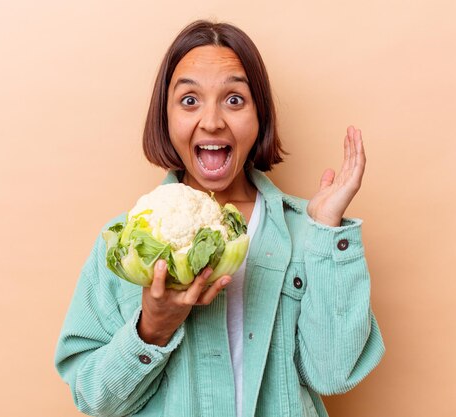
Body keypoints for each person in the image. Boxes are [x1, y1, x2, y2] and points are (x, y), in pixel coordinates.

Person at [55, 20, 385, 417]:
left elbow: (332, 375)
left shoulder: (307, 233)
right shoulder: (125, 243)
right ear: (165, 117)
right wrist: (153, 329)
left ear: (260, 115)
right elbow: (93, 399)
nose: (212, 121)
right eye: (189, 100)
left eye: (234, 100)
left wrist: (328, 233)